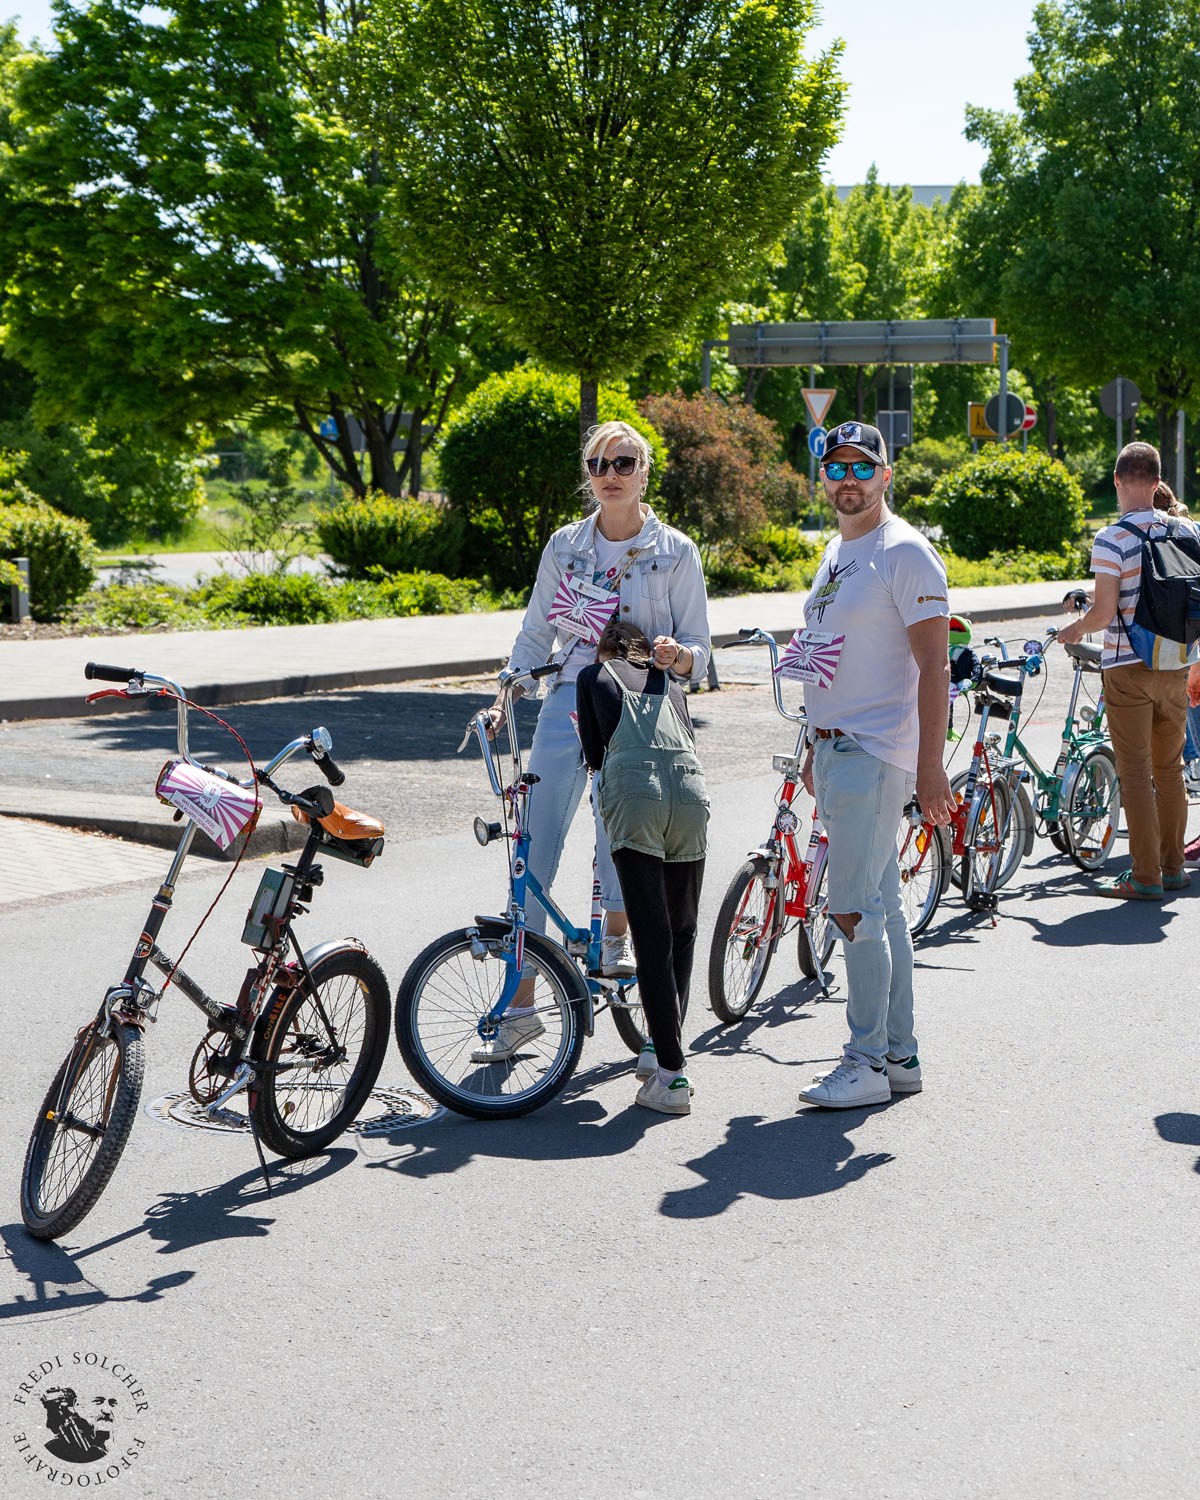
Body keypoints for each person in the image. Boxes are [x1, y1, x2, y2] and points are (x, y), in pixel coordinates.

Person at [473, 420, 709, 1060]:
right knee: (532, 848)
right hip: (567, 703)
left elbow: (704, 657)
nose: (611, 473)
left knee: (623, 840)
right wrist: (505, 696)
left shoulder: (676, 551)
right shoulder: (565, 547)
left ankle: (615, 939)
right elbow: (533, 635)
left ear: (645, 471)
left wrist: (676, 655)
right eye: (600, 462)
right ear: (588, 472)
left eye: (624, 462)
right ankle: (519, 1002)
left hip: (640, 708)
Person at [793, 421, 956, 1110]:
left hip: (873, 750)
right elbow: (827, 653)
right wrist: (811, 739)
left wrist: (931, 768)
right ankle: (899, 1054)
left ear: (887, 475)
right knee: (883, 908)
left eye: (863, 468)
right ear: (822, 479)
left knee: (852, 910)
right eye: (836, 469)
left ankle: (862, 1059)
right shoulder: (837, 551)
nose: (849, 480)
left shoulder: (904, 552)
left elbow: (935, 666)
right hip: (836, 745)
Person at [576, 621, 708, 1114]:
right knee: (682, 931)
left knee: (650, 936)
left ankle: (672, 1078)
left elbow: (594, 755)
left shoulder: (594, 678)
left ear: (605, 650)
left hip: (637, 800)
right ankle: (660, 1049)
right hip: (691, 798)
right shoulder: (671, 684)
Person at [1059, 442, 1200, 897]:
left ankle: (1145, 876)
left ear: (1117, 481)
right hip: (1177, 665)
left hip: (1127, 666)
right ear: (1158, 484)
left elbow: (1102, 613)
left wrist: (1073, 630)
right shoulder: (1189, 532)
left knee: (1136, 772)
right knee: (1170, 770)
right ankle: (1173, 867)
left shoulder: (1111, 539)